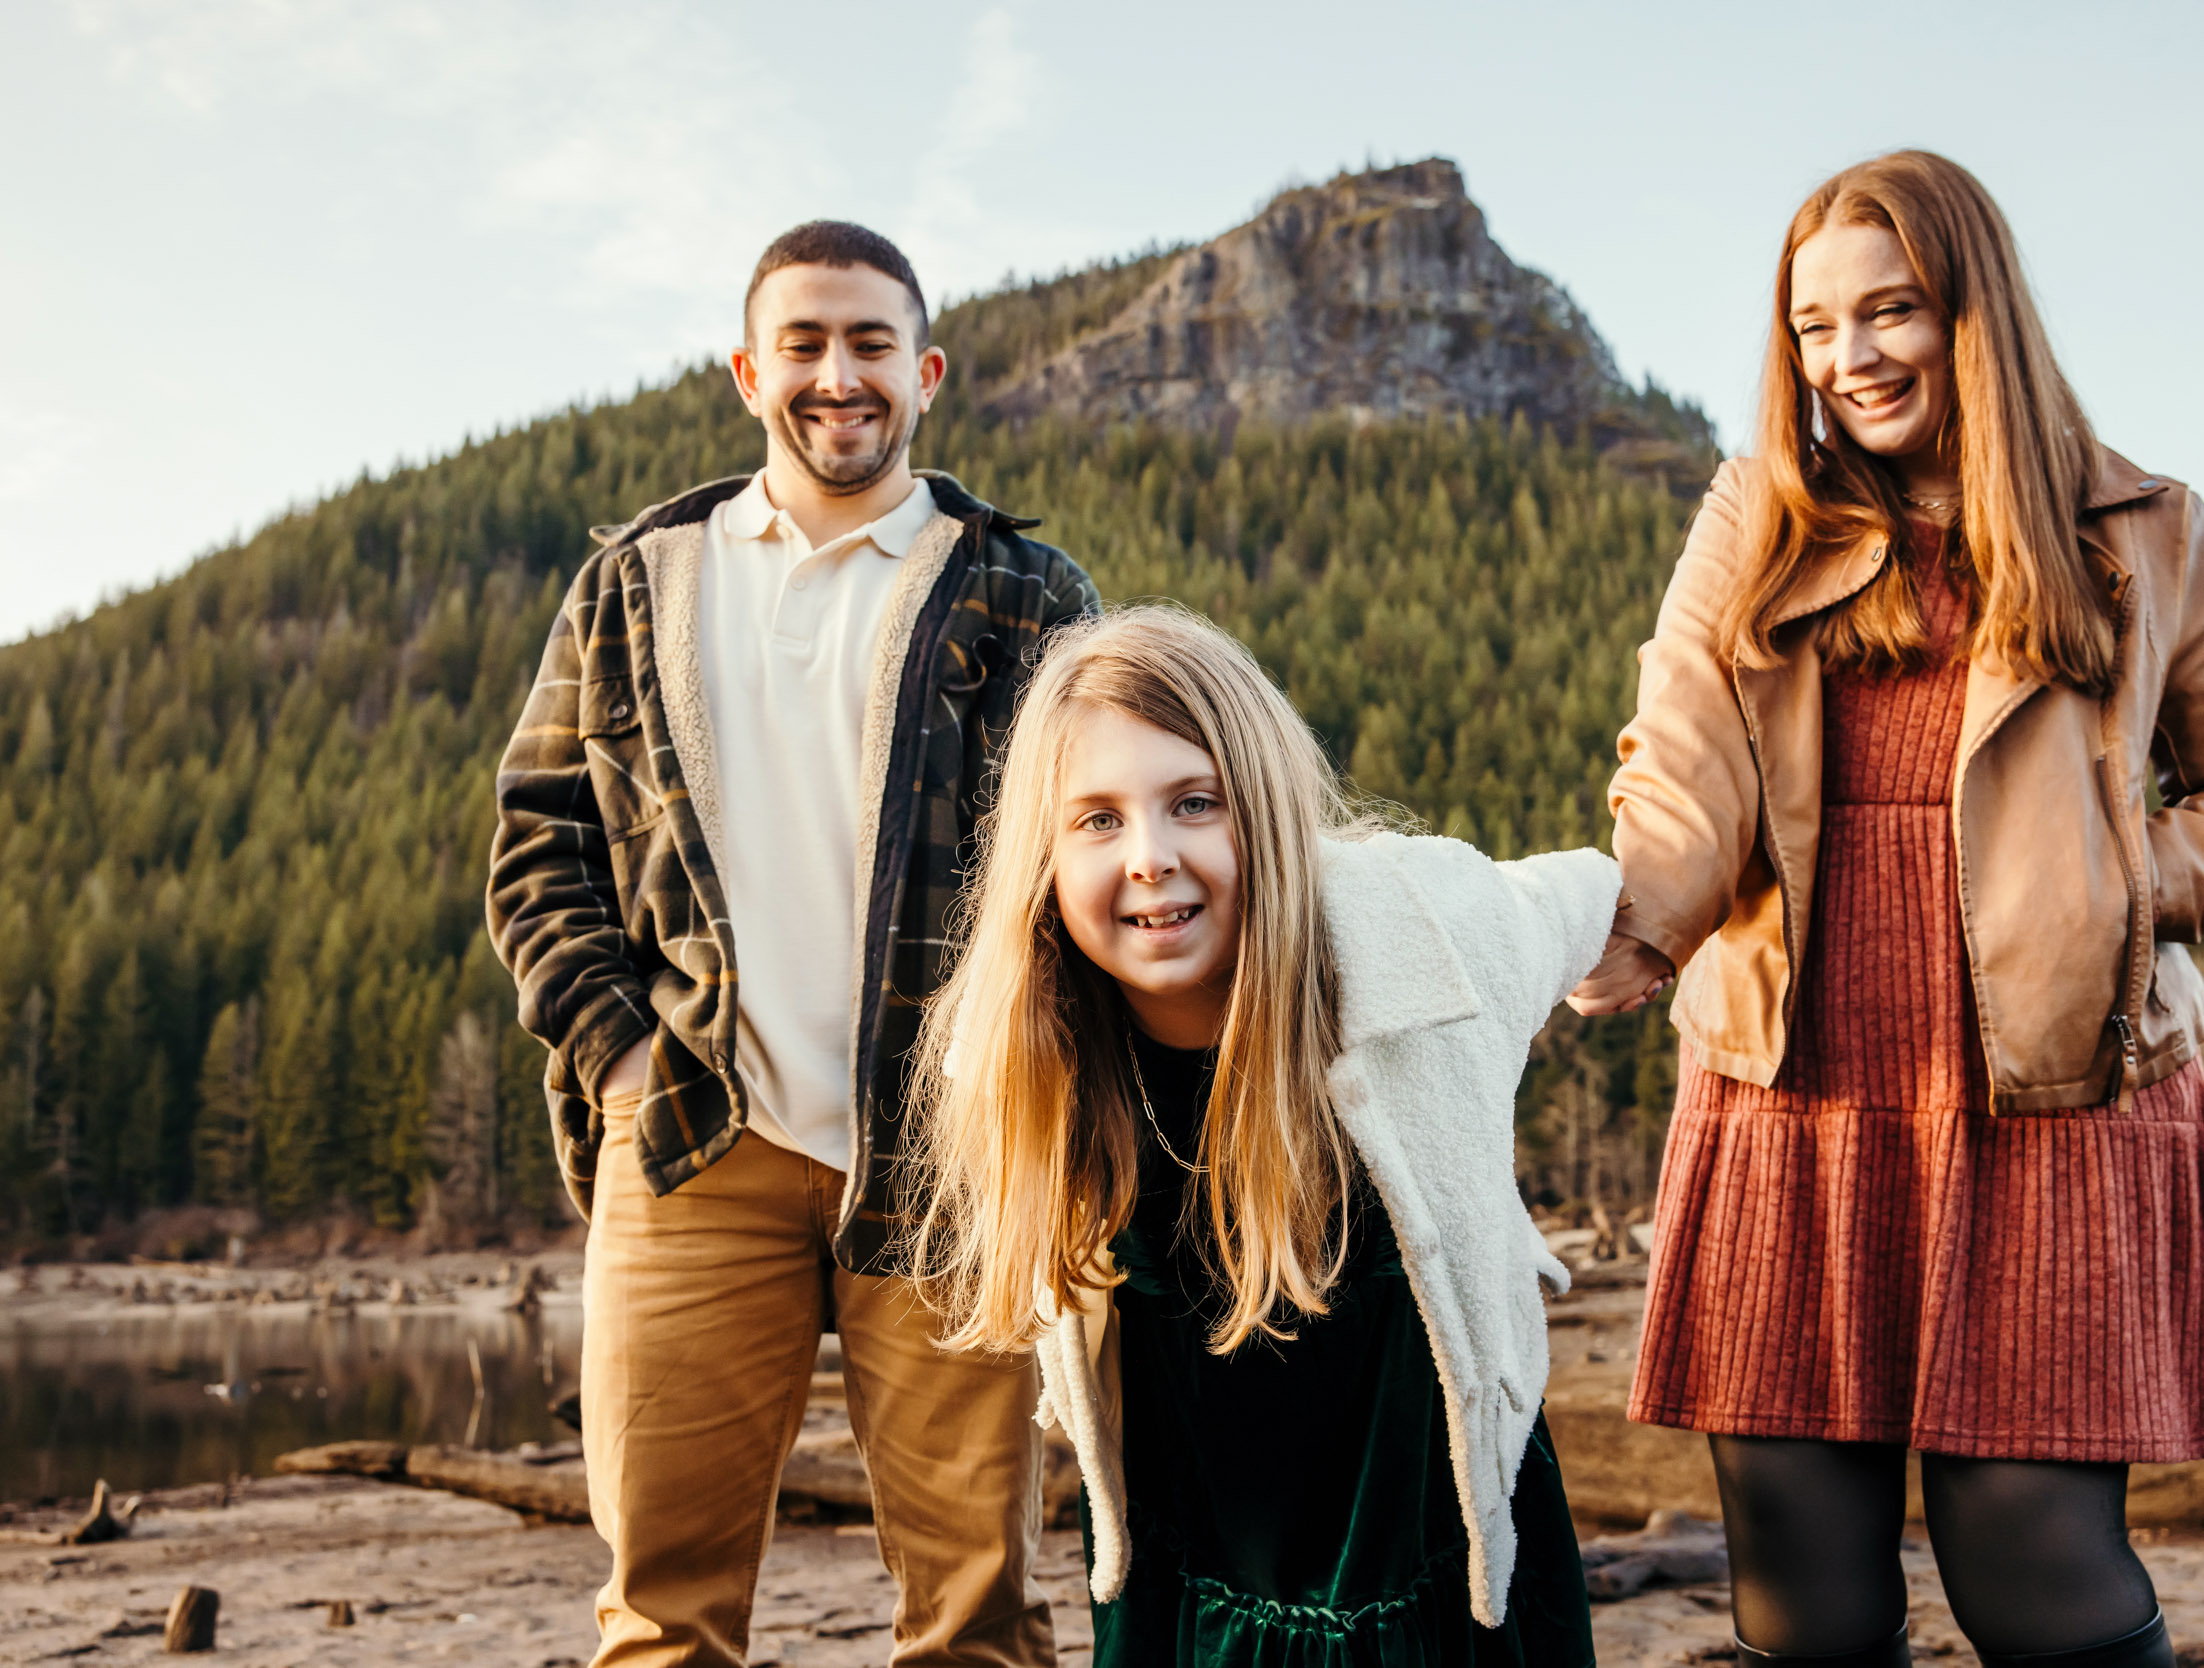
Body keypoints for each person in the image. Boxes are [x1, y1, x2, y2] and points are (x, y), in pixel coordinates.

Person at [1568, 151, 2204, 1668]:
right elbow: (1683, 765)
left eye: (1889, 311)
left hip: (2051, 1103)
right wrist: (1613, 924)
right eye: (1813, 328)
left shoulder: (2148, 528)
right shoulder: (1753, 516)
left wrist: (2127, 888)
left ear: (1973, 309)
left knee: (2038, 1581)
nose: (1847, 362)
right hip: (1795, 1098)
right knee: (1805, 1598)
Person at [486, 219, 1098, 1667]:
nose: (841, 375)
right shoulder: (637, 584)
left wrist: (1050, 1109)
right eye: (807, 344)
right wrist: (625, 1057)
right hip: (694, 1142)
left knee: (976, 1614)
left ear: (927, 371)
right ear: (748, 371)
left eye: (872, 343)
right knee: (662, 1615)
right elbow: (537, 845)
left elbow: (1096, 860)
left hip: (952, 1159)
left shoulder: (1024, 591)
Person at [905, 606, 1608, 1665]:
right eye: (1095, 820)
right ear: (1040, 860)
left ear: (1271, 815)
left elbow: (1569, 894)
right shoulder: (1027, 1047)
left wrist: (1638, 933)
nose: (1148, 858)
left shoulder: (1416, 928)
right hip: (1197, 1581)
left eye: (1195, 803)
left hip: (1437, 1571)